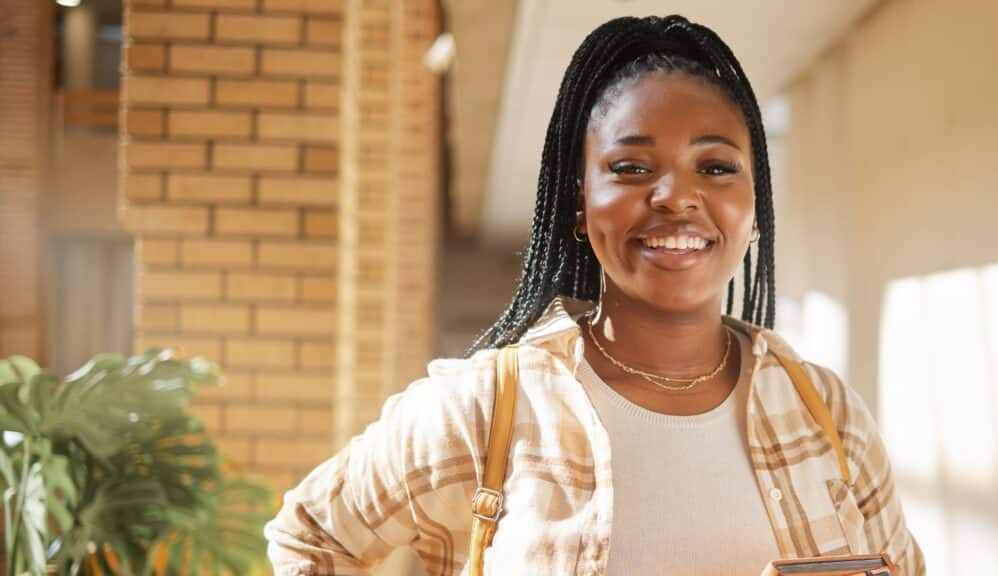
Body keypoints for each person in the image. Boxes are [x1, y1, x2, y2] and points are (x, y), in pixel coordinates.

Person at [265, 15, 925, 575]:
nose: (676, 195)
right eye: (632, 167)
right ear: (579, 203)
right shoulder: (481, 408)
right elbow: (307, 538)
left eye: (716, 167)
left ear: (754, 210)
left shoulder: (827, 414)